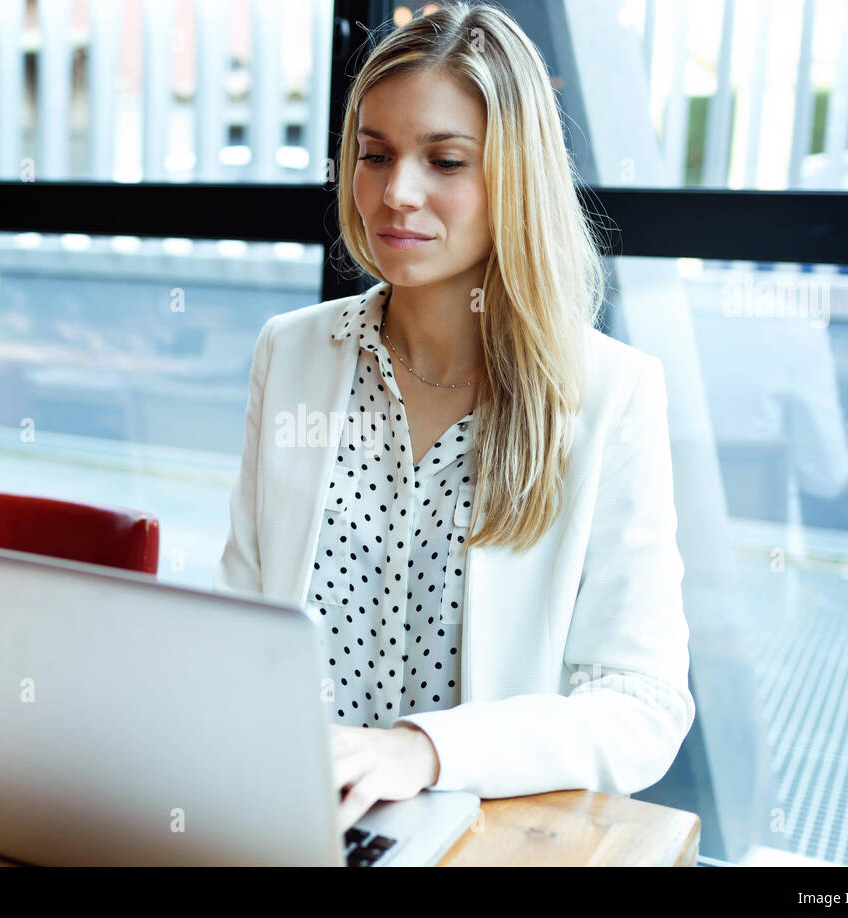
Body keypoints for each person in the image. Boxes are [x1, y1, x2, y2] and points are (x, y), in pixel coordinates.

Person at [214, 1, 695, 833]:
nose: (396, 193)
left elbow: (643, 706)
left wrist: (424, 748)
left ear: (514, 175)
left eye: (445, 160)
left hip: (471, 836)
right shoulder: (291, 354)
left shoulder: (610, 394)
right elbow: (237, 625)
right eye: (374, 155)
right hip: (284, 817)